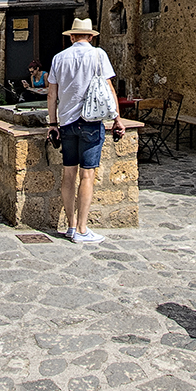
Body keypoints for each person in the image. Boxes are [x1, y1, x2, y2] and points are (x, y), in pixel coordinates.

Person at [45, 17, 124, 244]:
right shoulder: (99, 55)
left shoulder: (59, 58)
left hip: (67, 123)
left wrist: (53, 124)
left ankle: (70, 225)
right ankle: (82, 228)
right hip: (91, 121)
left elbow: (52, 94)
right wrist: (117, 119)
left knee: (68, 174)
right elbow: (108, 89)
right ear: (90, 36)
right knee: (87, 175)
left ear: (71, 37)